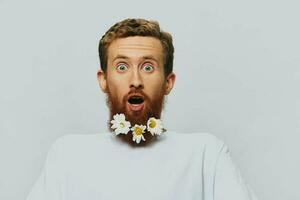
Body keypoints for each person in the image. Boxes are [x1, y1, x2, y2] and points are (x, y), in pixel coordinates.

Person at [26, 18, 258, 200]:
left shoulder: (206, 154)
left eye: (148, 67)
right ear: (103, 80)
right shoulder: (68, 155)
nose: (135, 80)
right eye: (122, 66)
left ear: (168, 82)